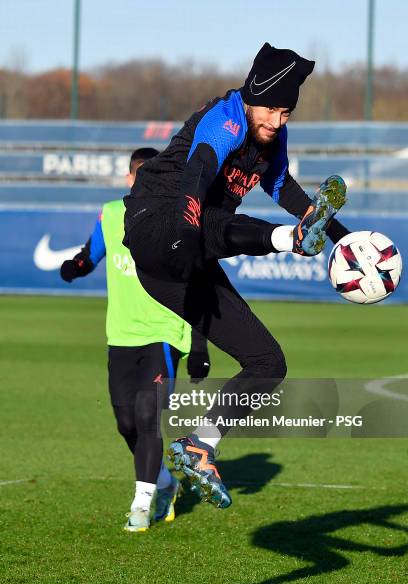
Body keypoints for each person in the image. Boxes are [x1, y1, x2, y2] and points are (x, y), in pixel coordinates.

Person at [123, 44, 350, 509]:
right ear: (250, 97)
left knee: (269, 363)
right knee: (205, 220)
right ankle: (289, 240)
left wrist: (345, 241)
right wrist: (194, 218)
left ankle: (198, 445)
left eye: (287, 112)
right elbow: (200, 171)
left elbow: (285, 188)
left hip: (180, 269)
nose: (277, 121)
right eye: (271, 109)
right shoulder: (225, 119)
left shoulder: (273, 138)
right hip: (157, 224)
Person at [60, 148, 210, 532]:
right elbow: (91, 254)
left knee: (146, 416)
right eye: (142, 178)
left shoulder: (179, 219)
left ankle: (141, 506)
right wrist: (74, 268)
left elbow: (199, 280)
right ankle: (164, 482)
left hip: (164, 332)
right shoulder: (111, 214)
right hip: (121, 335)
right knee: (125, 422)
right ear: (130, 180)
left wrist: (198, 346)